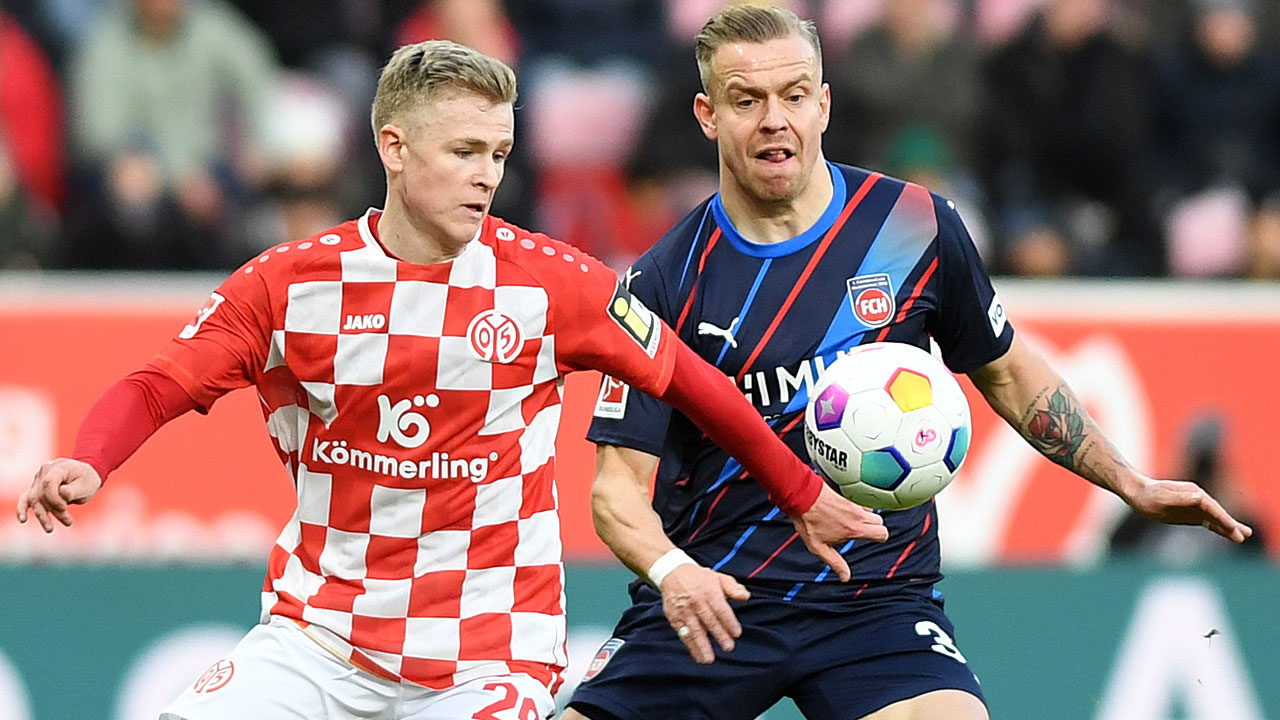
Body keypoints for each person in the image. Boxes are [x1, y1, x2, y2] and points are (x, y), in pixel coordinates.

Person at [15, 40, 887, 720]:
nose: (487, 176)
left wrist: (800, 490)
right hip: (320, 639)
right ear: (394, 147)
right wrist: (93, 458)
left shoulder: (552, 284)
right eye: (465, 150)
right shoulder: (292, 286)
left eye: (499, 153)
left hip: (489, 657)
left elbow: (696, 384)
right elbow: (160, 382)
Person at [562, 6, 1253, 720]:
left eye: (794, 95)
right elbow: (616, 491)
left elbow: (1011, 375)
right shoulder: (664, 282)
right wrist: (674, 573)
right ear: (707, 116)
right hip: (717, 600)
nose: (774, 120)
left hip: (875, 603)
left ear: (824, 104)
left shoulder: (913, 226)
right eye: (747, 101)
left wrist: (1130, 482)